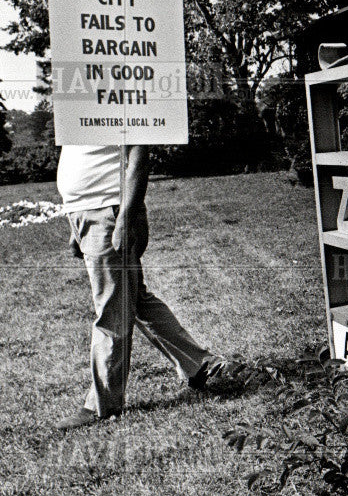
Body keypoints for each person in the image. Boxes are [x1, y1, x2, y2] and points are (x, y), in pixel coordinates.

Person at [56, 140, 251, 430]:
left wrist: (125, 218)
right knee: (135, 300)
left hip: (109, 211)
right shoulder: (83, 102)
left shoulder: (120, 101)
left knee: (113, 309)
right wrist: (75, 221)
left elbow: (137, 155)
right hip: (88, 212)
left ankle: (101, 405)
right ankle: (198, 364)